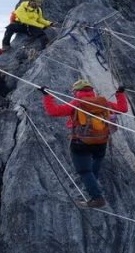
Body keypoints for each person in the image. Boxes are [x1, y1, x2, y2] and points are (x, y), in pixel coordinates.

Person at [41, 80, 128, 208]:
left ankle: (97, 198)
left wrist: (47, 96)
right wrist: (120, 94)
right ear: (91, 91)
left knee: (84, 171)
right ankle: (93, 183)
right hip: (102, 140)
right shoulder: (103, 103)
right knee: (96, 162)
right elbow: (123, 109)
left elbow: (53, 111)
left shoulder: (76, 103)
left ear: (76, 92)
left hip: (81, 141)